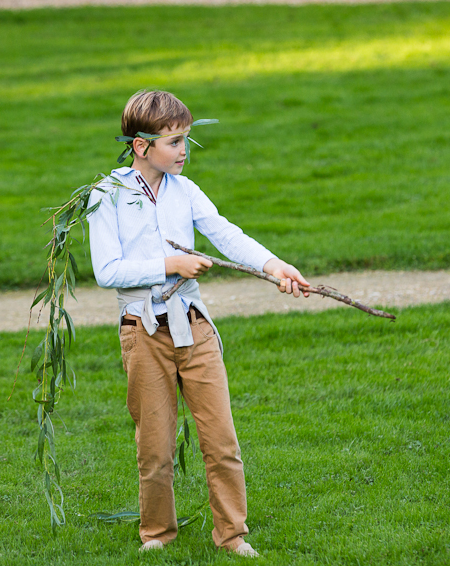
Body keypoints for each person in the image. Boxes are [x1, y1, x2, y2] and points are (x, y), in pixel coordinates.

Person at [87, 90, 309, 557]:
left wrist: (275, 266)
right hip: (143, 331)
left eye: (187, 139)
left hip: (194, 326)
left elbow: (226, 233)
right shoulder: (106, 195)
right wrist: (170, 264)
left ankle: (233, 535)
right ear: (140, 145)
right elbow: (107, 271)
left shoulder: (184, 190)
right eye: (174, 142)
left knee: (221, 440)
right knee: (156, 448)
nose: (184, 150)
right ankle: (157, 535)